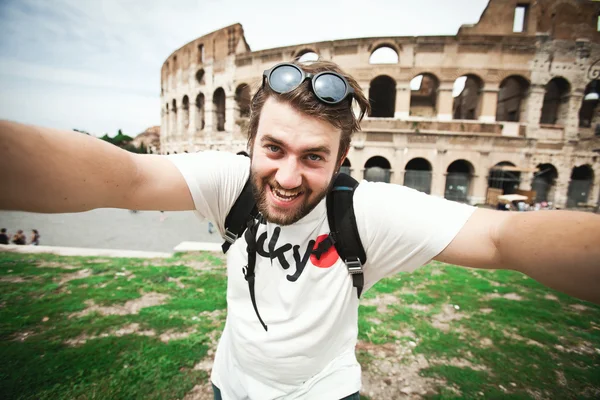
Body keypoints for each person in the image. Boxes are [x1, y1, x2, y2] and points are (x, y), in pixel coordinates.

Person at [0, 60, 599, 400]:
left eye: (313, 157)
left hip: (326, 392)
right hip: (229, 386)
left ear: (342, 162)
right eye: (274, 149)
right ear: (252, 143)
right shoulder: (229, 181)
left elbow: (501, 238)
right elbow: (123, 177)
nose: (287, 176)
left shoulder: (368, 211)